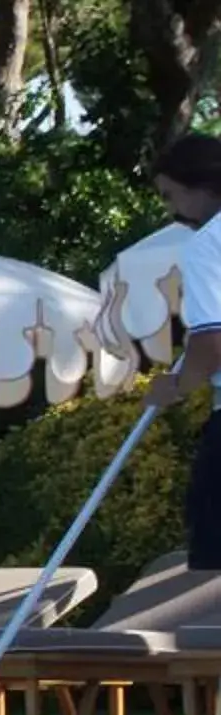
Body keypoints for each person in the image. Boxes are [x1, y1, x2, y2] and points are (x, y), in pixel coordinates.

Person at [145, 133, 221, 565]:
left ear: (202, 185)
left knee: (214, 561)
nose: (173, 211)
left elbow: (212, 343)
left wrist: (176, 385)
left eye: (171, 195)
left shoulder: (208, 244)